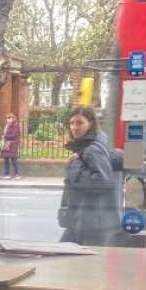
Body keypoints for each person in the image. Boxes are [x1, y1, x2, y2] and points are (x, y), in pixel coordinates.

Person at [57, 106, 119, 247]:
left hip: (91, 225)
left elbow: (103, 182)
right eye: (72, 123)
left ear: (90, 124)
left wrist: (74, 168)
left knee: (64, 255)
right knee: (62, 254)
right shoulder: (85, 148)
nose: (74, 127)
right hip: (82, 221)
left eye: (80, 123)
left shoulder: (92, 150)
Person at [0, 114, 21, 180]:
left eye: (9, 118)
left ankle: (17, 174)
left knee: (14, 160)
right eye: (7, 118)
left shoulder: (15, 125)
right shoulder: (7, 125)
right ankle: (6, 174)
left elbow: (14, 135)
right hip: (7, 145)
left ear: (13, 118)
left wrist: (5, 136)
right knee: (6, 159)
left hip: (13, 145)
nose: (8, 119)